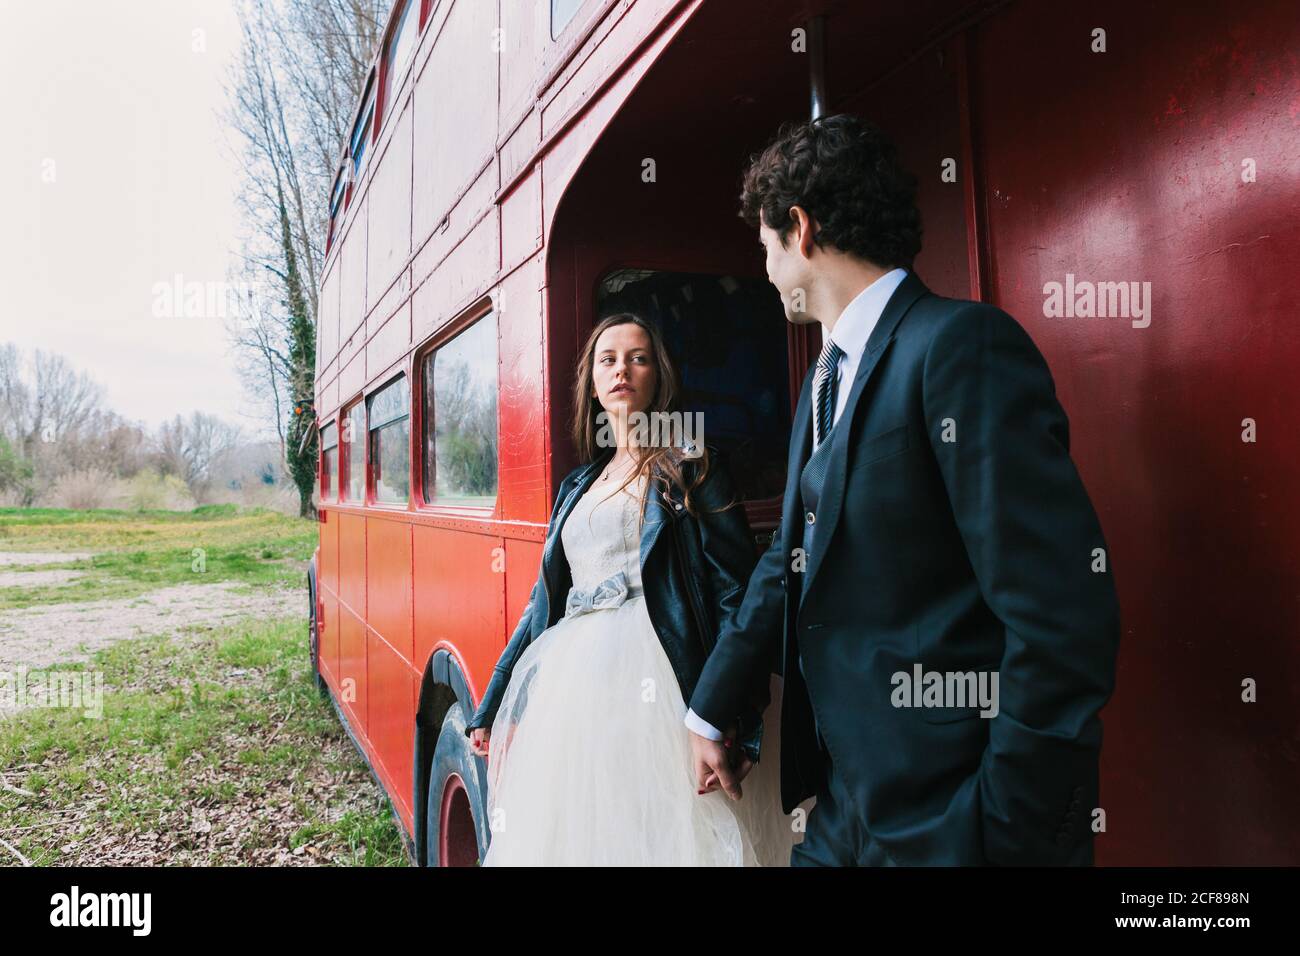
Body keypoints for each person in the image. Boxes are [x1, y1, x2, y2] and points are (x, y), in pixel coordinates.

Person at [687, 114, 1122, 866]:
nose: (764, 271)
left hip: (953, 823)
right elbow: (788, 558)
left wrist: (1002, 828)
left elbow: (1062, 619)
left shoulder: (961, 347)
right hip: (838, 813)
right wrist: (710, 706)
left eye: (764, 248)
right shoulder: (822, 382)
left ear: (800, 228)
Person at [463, 311, 803, 865]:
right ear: (593, 385)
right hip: (576, 697)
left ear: (658, 378)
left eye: (638, 358)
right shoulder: (577, 485)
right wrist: (497, 695)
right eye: (609, 359)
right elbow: (546, 600)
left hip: (670, 680)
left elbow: (734, 594)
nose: (623, 368)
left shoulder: (691, 464)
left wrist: (733, 714)